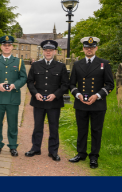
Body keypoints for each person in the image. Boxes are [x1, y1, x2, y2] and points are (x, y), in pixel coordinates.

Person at [69, 36, 114, 169]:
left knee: (96, 130)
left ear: (96, 48)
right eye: (87, 48)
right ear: (83, 49)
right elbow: (71, 84)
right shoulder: (77, 64)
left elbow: (110, 84)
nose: (89, 50)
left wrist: (97, 95)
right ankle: (81, 153)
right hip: (81, 103)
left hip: (98, 104)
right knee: (81, 130)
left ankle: (94, 156)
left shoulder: (104, 63)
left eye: (92, 47)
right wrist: (78, 95)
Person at [26, 40, 69, 161]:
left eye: (50, 50)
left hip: (54, 102)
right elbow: (30, 82)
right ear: (43, 51)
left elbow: (65, 84)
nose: (48, 52)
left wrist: (55, 95)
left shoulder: (61, 66)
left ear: (55, 51)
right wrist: (35, 94)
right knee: (38, 126)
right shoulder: (36, 65)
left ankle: (53, 151)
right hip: (38, 101)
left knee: (54, 127)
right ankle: (35, 148)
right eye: (46, 50)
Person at [0, 35, 27, 156]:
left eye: (9, 45)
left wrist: (15, 85)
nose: (7, 47)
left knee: (13, 123)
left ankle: (13, 146)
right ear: (1, 47)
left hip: (13, 98)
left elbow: (24, 77)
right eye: (5, 45)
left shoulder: (19, 62)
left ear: (12, 47)